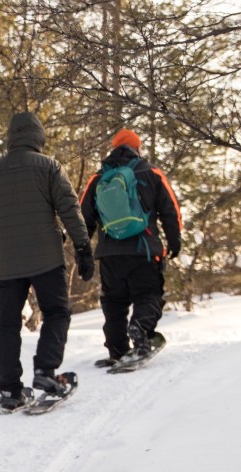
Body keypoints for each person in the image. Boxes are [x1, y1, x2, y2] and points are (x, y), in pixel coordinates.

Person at [0, 111, 94, 410]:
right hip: (45, 259)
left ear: (11, 138)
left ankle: (10, 390)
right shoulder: (49, 167)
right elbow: (69, 209)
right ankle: (45, 371)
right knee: (57, 312)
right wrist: (83, 247)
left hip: (6, 264)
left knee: (8, 325)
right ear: (38, 136)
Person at [79, 128, 182, 360]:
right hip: (143, 250)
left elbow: (82, 218)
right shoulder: (151, 173)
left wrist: (83, 251)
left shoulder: (98, 178)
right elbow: (170, 210)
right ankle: (141, 328)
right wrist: (174, 240)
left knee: (113, 303)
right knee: (149, 294)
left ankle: (117, 350)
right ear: (137, 148)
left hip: (109, 254)